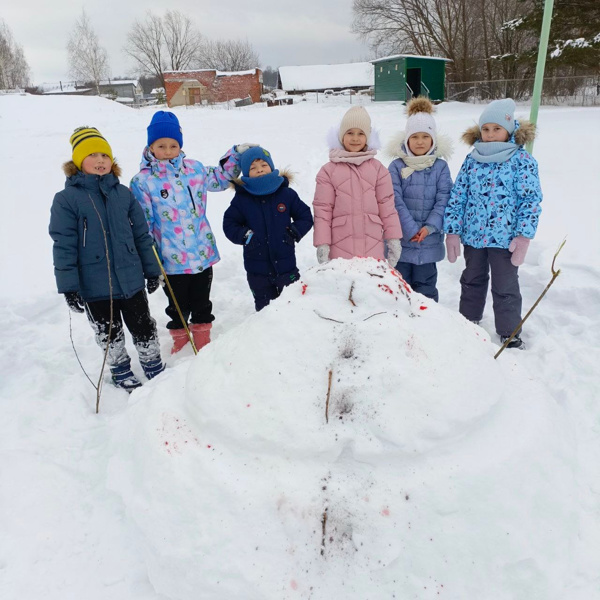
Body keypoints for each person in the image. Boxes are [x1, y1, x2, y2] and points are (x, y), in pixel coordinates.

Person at [49, 126, 165, 392]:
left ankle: (152, 362)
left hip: (131, 278)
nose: (100, 160)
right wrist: (69, 285)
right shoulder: (67, 200)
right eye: (92, 155)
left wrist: (151, 270)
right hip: (94, 286)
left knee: (143, 325)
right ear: (78, 162)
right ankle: (120, 369)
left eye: (105, 155)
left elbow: (141, 235)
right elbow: (63, 244)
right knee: (108, 333)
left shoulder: (123, 194)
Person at [130, 111, 253, 353]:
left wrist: (236, 153)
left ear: (180, 145)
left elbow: (221, 178)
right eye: (161, 145)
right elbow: (142, 223)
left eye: (173, 145)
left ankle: (202, 335)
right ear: (150, 146)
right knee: (176, 305)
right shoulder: (142, 182)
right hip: (169, 258)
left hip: (201, 252)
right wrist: (151, 259)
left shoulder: (194, 170)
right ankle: (180, 338)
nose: (167, 151)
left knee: (202, 300)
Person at [443, 98, 543, 349]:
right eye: (485, 129)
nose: (490, 134)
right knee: (471, 279)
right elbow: (458, 196)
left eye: (496, 129)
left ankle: (510, 332)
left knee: (505, 285)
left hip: (505, 239)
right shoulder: (472, 159)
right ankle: (467, 321)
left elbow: (530, 200)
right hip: (474, 236)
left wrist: (523, 236)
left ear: (509, 129)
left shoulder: (521, 161)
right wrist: (453, 231)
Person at [223, 147, 313, 311]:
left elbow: (305, 216)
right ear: (246, 173)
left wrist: (293, 232)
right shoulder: (242, 199)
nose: (259, 170)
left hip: (287, 267)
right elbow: (229, 223)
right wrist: (246, 236)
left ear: (271, 166)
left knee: (293, 306)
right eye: (253, 168)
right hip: (257, 271)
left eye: (263, 165)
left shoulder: (286, 194)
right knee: (265, 311)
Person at [312, 106, 402, 266]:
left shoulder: (378, 169)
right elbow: (323, 210)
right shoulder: (328, 171)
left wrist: (393, 237)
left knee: (370, 288)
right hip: (340, 246)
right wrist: (322, 243)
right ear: (341, 136)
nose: (355, 138)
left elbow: (387, 206)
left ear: (368, 137)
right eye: (350, 133)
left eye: (361, 133)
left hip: (372, 246)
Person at [387, 97, 453, 302]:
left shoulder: (440, 167)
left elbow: (444, 199)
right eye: (415, 136)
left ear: (433, 139)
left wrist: (429, 227)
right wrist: (410, 229)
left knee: (426, 287)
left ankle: (427, 323)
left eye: (425, 136)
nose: (420, 141)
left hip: (428, 240)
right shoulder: (396, 166)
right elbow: (393, 199)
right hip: (402, 240)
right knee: (400, 286)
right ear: (406, 139)